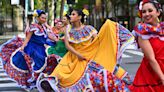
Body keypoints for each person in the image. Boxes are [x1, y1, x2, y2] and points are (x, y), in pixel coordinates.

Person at [37, 9, 134, 92]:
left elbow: (98, 41)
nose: (71, 16)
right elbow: (67, 45)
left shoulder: (89, 29)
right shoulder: (68, 30)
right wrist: (77, 54)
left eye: (73, 14)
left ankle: (129, 85)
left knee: (108, 70)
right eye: (70, 14)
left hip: (89, 54)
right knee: (61, 73)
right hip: (74, 56)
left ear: (79, 17)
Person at [0, 9, 58, 89]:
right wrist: (23, 47)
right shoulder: (34, 27)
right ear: (37, 18)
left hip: (40, 49)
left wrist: (56, 39)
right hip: (32, 48)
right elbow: (27, 38)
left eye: (45, 18)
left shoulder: (44, 27)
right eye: (42, 18)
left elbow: (49, 35)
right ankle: (35, 80)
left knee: (41, 63)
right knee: (37, 64)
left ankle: (37, 81)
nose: (44, 19)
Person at [130, 0, 164, 92]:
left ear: (158, 12)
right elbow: (151, 59)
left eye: (150, 10)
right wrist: (162, 78)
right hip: (149, 75)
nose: (146, 14)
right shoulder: (142, 30)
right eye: (144, 12)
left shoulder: (163, 28)